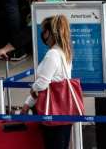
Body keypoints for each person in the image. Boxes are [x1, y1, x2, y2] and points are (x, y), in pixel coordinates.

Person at [22, 15, 74, 149]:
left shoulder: (53, 54)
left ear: (50, 33)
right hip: (64, 110)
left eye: (44, 31)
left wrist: (31, 92)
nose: (42, 35)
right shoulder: (64, 52)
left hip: (52, 111)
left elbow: (42, 84)